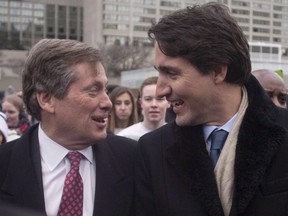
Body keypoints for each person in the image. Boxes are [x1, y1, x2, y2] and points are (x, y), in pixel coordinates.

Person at [135, 2, 288, 216]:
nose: (160, 90)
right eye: (159, 73)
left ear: (217, 71)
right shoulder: (152, 151)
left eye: (171, 73)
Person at [0, 39, 136, 216]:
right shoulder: (5, 165)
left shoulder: (132, 159)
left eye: (106, 90)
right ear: (47, 99)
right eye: (93, 90)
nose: (107, 103)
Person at [118, 76, 169, 141]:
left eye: (160, 99)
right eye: (148, 99)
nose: (154, 105)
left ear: (169, 102)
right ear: (141, 103)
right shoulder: (125, 137)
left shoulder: (177, 136)